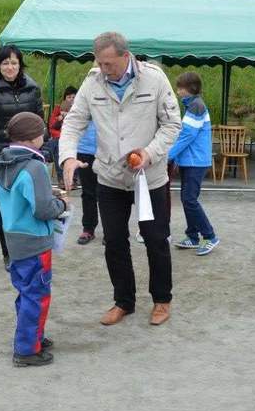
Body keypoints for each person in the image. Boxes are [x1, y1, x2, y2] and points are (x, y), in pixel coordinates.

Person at [59, 31, 181, 326]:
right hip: (110, 177)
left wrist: (149, 153)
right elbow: (73, 122)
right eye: (99, 63)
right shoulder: (92, 82)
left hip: (149, 177)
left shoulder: (154, 79)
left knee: (155, 239)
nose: (104, 69)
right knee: (113, 241)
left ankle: (162, 300)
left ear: (126, 56)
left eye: (109, 64)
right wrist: (68, 156)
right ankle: (123, 301)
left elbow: (172, 125)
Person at [0, 112, 68, 367]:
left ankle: (33, 336)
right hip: (35, 241)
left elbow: (21, 196)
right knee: (37, 294)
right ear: (35, 137)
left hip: (14, 240)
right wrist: (61, 204)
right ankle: (26, 350)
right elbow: (43, 210)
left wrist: (46, 193)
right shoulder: (34, 166)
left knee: (26, 293)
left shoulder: (5, 162)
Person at [0, 45, 44, 271]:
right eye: (5, 63)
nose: (10, 67)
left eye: (14, 62)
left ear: (20, 65)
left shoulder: (33, 88)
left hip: (28, 158)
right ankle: (9, 253)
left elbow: (40, 125)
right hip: (1, 159)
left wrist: (43, 152)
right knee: (4, 207)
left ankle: (29, 249)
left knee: (29, 203)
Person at [168, 72, 219, 256]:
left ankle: (210, 236)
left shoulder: (196, 106)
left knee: (189, 199)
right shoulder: (192, 105)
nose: (178, 91)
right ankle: (193, 237)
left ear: (191, 89)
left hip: (196, 162)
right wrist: (176, 158)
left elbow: (187, 136)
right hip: (190, 161)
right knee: (187, 199)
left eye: (180, 88)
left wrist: (168, 155)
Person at [46, 86, 77, 188]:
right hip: (59, 136)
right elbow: (51, 126)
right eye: (69, 97)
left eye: (73, 97)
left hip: (74, 136)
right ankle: (62, 178)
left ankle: (73, 178)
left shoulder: (79, 109)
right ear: (65, 98)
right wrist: (60, 118)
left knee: (73, 146)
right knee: (57, 145)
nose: (71, 99)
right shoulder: (58, 109)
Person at [75, 120, 99, 245]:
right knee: (88, 192)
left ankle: (111, 230)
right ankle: (88, 229)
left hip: (108, 150)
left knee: (110, 192)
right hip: (84, 149)